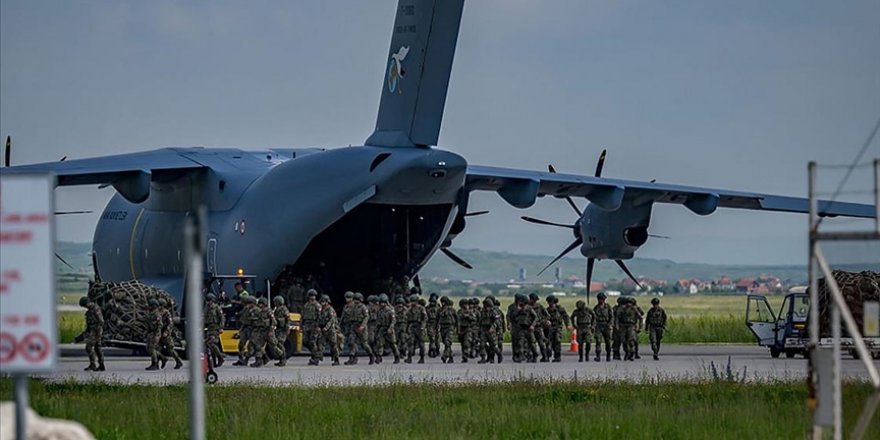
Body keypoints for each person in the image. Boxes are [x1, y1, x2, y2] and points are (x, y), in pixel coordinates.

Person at [344, 292, 374, 365]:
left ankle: (371, 356)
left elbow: (367, 317)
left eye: (357, 299)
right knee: (352, 342)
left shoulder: (363, 307)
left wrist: (363, 326)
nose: (355, 301)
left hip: (361, 327)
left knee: (364, 344)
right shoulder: (352, 306)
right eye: (354, 299)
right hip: (354, 326)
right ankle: (351, 358)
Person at [315, 294, 341, 366]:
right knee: (320, 344)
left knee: (333, 345)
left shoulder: (330, 309)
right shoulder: (321, 310)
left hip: (330, 330)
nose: (322, 303)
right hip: (323, 329)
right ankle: (317, 359)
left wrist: (326, 327)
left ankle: (336, 359)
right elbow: (318, 319)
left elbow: (331, 320)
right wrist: (318, 327)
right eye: (322, 301)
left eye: (324, 301)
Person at [374, 294, 400, 364]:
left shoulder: (390, 310)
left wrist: (390, 328)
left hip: (389, 328)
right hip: (382, 328)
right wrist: (377, 329)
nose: (381, 304)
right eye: (380, 302)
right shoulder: (379, 310)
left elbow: (393, 320)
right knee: (379, 343)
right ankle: (379, 357)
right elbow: (378, 320)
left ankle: (397, 356)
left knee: (392, 344)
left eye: (383, 302)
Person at [81, 296, 105, 371]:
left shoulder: (95, 309)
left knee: (88, 347)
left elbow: (101, 321)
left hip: (96, 332)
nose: (85, 307)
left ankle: (93, 364)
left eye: (85, 305)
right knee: (97, 348)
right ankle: (101, 365)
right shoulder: (90, 311)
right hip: (93, 331)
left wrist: (98, 333)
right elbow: (89, 324)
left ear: (88, 303)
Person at [514, 295, 539, 363]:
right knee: (520, 343)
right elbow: (514, 316)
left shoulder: (529, 309)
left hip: (529, 328)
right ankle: (521, 356)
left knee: (532, 343)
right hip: (521, 328)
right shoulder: (519, 309)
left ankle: (535, 355)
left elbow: (536, 318)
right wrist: (518, 310)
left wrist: (532, 325)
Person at [158, 298, 183, 369]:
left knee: (170, 349)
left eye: (160, 305)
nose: (158, 307)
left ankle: (178, 361)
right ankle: (159, 362)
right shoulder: (158, 312)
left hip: (166, 334)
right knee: (156, 349)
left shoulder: (166, 313)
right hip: (160, 333)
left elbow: (170, 324)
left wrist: (166, 332)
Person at [545, 295, 571, 362]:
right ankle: (547, 355)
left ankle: (557, 356)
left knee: (557, 340)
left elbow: (566, 317)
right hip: (549, 328)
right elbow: (543, 318)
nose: (549, 304)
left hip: (558, 327)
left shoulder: (560, 309)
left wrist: (567, 325)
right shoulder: (547, 310)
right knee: (549, 342)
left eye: (550, 302)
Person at [232, 296, 256, 366]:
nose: (246, 305)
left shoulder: (256, 310)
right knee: (241, 344)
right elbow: (241, 315)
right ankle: (241, 359)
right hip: (245, 328)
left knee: (252, 346)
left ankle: (247, 360)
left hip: (252, 329)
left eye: (248, 303)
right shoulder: (246, 308)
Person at [204, 293, 226, 367]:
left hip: (215, 328)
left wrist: (221, 328)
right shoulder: (206, 308)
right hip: (209, 328)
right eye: (207, 301)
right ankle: (213, 361)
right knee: (209, 345)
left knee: (211, 343)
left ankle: (220, 357)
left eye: (209, 300)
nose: (208, 302)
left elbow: (222, 318)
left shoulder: (217, 308)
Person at [477, 297, 501, 364]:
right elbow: (480, 320)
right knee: (482, 344)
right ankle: (483, 358)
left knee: (493, 345)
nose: (486, 306)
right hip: (483, 329)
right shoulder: (482, 311)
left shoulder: (493, 311)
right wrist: (479, 328)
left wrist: (493, 327)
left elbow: (497, 321)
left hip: (491, 330)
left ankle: (497, 355)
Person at [145, 298, 167, 371]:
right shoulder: (151, 313)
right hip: (150, 333)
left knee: (152, 349)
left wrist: (157, 335)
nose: (149, 306)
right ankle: (162, 358)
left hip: (155, 333)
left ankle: (155, 364)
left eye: (150, 305)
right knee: (148, 349)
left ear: (154, 306)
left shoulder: (157, 314)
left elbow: (160, 325)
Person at [528, 293, 551, 362]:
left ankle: (545, 356)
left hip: (538, 327)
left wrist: (542, 321)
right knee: (531, 343)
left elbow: (547, 316)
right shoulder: (528, 307)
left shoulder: (540, 306)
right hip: (530, 327)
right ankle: (533, 357)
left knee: (541, 343)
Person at [405, 294, 428, 363]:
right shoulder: (409, 309)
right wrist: (406, 329)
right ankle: (409, 358)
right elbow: (407, 320)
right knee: (410, 342)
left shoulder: (421, 308)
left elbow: (425, 318)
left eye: (414, 301)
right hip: (412, 326)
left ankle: (422, 358)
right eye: (411, 301)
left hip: (419, 326)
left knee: (421, 343)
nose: (412, 303)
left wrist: (423, 326)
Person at [593, 292, 613, 362]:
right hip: (598, 325)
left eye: (602, 299)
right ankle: (598, 356)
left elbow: (611, 317)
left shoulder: (608, 307)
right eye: (599, 299)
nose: (600, 301)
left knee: (608, 342)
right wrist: (593, 326)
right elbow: (593, 317)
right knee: (598, 341)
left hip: (606, 325)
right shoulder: (596, 308)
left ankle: (608, 356)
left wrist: (610, 324)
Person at [437, 296, 458, 363]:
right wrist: (435, 328)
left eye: (444, 302)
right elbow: (436, 320)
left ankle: (445, 355)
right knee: (445, 343)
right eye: (442, 302)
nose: (443, 304)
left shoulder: (452, 310)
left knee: (447, 342)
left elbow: (457, 320)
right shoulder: (440, 310)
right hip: (442, 328)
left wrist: (457, 328)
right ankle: (451, 356)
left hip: (450, 327)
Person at [301, 289, 321, 360]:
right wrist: (301, 324)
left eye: (314, 296)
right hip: (307, 324)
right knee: (305, 341)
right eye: (311, 296)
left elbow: (319, 316)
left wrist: (318, 326)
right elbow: (302, 315)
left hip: (314, 324)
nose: (313, 297)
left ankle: (316, 358)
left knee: (313, 341)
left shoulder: (317, 305)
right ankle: (314, 353)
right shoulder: (306, 305)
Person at [272, 296, 290, 366]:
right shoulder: (277, 309)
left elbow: (288, 320)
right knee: (277, 343)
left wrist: (287, 329)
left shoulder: (284, 309)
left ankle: (283, 358)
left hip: (283, 329)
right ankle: (280, 359)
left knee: (280, 343)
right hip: (278, 329)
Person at [507, 295, 522, 362]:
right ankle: (515, 355)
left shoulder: (522, 306)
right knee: (515, 341)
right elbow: (508, 316)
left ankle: (520, 355)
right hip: (514, 325)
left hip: (521, 325)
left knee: (521, 341)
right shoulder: (511, 307)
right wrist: (509, 324)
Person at [426, 293, 440, 358]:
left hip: (437, 323)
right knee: (432, 337)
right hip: (430, 323)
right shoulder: (427, 308)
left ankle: (437, 349)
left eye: (433, 302)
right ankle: (432, 349)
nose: (432, 303)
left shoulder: (439, 308)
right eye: (431, 302)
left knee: (437, 338)